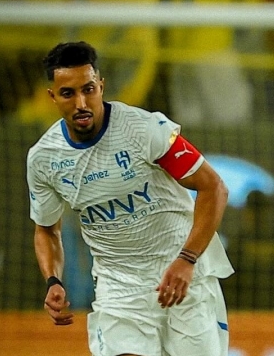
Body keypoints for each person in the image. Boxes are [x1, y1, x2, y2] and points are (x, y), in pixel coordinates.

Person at [27, 41, 234, 356]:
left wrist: (187, 259)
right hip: (118, 287)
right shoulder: (44, 158)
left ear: (101, 86)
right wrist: (53, 279)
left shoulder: (145, 130)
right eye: (68, 93)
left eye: (89, 89)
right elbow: (46, 229)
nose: (81, 102)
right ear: (52, 96)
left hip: (179, 272)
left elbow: (213, 187)